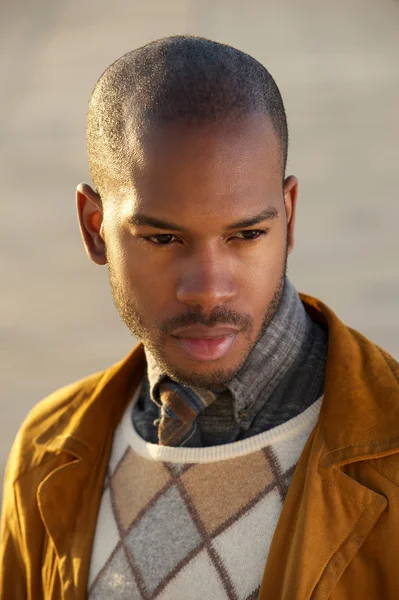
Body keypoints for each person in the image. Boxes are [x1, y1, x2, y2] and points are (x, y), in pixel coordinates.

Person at [1, 34, 398, 600]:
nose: (209, 289)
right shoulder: (47, 453)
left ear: (287, 216)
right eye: (163, 237)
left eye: (246, 235)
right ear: (95, 229)